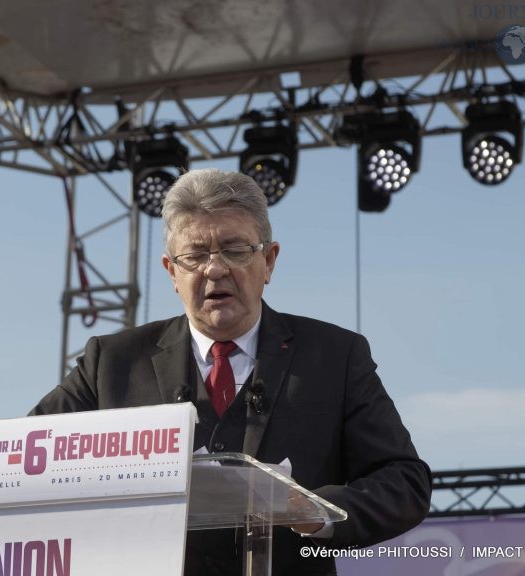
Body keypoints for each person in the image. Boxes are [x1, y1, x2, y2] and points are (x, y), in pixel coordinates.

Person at [30, 168, 431, 575]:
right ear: (172, 271)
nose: (214, 269)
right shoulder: (111, 363)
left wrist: (318, 512)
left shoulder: (335, 356)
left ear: (269, 261)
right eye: (195, 255)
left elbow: (404, 482)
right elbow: (28, 456)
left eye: (234, 250)